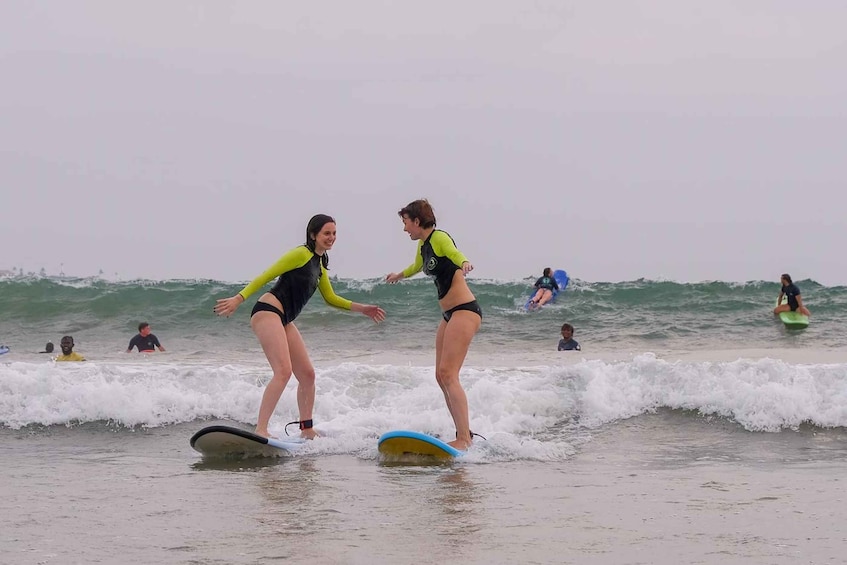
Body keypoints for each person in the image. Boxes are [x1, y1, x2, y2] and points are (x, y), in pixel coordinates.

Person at [214, 214, 385, 439]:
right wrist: (239, 298)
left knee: (308, 375)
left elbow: (331, 298)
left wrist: (363, 308)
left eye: (334, 233)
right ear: (313, 235)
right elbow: (266, 275)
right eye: (326, 233)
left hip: (284, 319)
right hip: (267, 312)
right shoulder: (300, 254)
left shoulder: (320, 266)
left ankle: (307, 430)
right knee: (283, 372)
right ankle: (261, 429)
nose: (331, 238)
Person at [385, 199, 481, 450]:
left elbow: (453, 253)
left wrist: (464, 263)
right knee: (440, 376)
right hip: (449, 315)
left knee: (449, 374)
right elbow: (417, 266)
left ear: (417, 221)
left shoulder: (438, 238)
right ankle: (463, 433)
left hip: (464, 311)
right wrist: (399, 275)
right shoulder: (423, 246)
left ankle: (463, 440)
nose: (405, 228)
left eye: (406, 222)